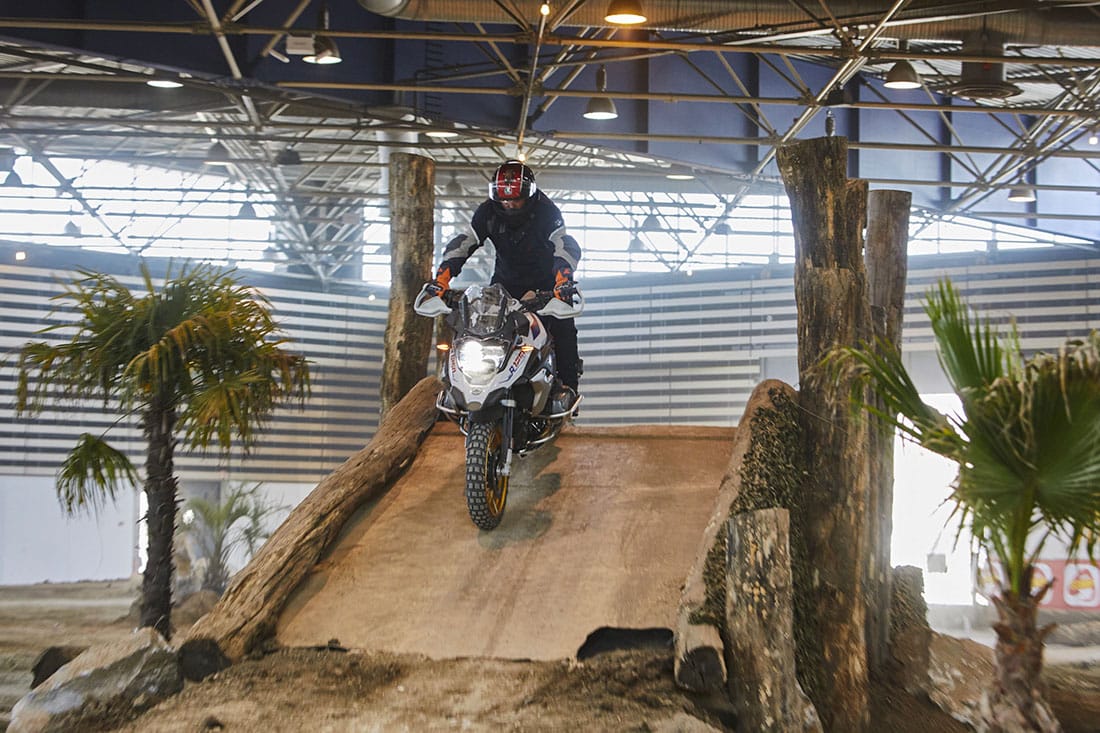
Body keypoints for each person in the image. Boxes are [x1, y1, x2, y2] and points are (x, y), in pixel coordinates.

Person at [427, 159, 582, 409]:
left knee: (563, 328)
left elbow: (565, 245)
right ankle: (461, 386)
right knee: (475, 328)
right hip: (503, 284)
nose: (509, 204)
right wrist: (441, 280)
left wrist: (563, 282)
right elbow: (464, 243)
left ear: (529, 196)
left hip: (546, 285)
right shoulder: (488, 211)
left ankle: (568, 390)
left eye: (515, 199)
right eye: (503, 199)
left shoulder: (547, 211)